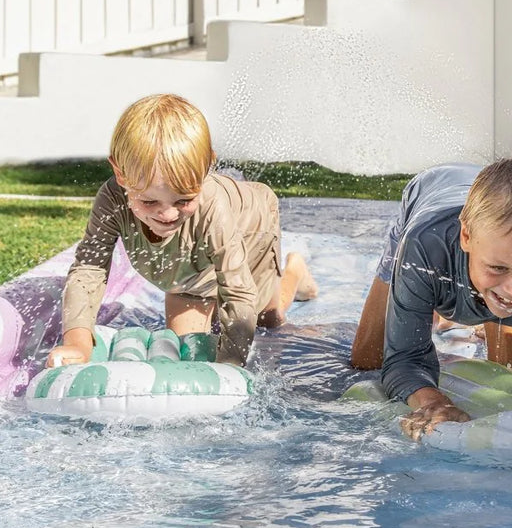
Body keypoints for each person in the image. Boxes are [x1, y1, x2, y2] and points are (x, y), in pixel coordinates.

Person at [47, 93, 317, 369]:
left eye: (184, 200)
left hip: (251, 230)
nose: (167, 215)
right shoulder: (113, 199)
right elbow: (89, 269)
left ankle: (295, 271)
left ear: (206, 169)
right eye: (149, 201)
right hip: (187, 273)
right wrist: (78, 343)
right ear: (120, 174)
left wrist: (230, 366)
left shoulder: (214, 208)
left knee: (266, 321)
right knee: (185, 349)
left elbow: (237, 293)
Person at [350, 158, 512, 440]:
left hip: (479, 244)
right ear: (466, 236)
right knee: (368, 359)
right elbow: (404, 360)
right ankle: (435, 303)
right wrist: (434, 404)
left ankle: (475, 309)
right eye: (498, 268)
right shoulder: (423, 249)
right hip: (430, 197)